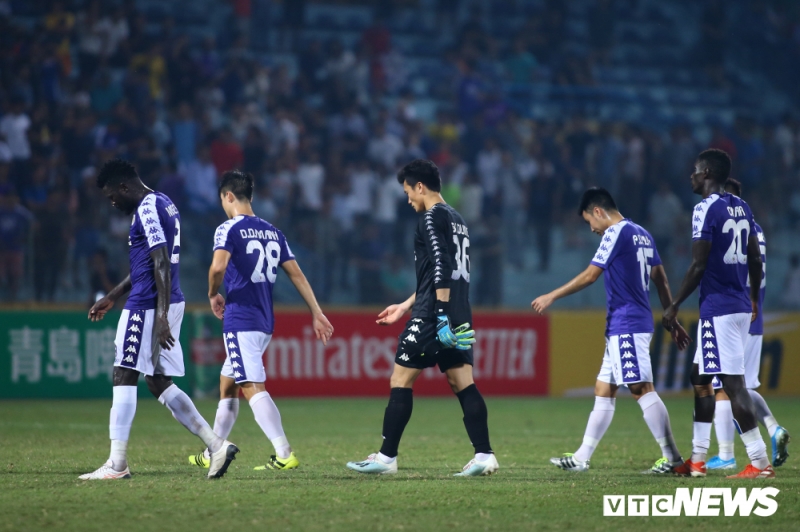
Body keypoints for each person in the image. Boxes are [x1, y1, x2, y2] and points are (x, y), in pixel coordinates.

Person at [80, 159, 237, 480]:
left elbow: (161, 262)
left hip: (149, 305)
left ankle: (117, 463)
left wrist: (161, 314)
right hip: (165, 300)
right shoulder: (165, 203)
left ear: (125, 187)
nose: (112, 203)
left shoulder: (147, 208)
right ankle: (216, 444)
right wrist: (113, 295)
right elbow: (146, 264)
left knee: (124, 371)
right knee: (157, 381)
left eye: (113, 196)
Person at [345, 159, 493, 476]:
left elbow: (440, 266)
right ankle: (484, 455)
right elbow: (445, 273)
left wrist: (437, 315)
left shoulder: (430, 218)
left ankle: (386, 458)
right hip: (459, 308)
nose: (407, 198)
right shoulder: (458, 219)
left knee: (401, 379)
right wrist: (404, 305)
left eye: (407, 191)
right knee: (461, 381)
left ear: (420, 187)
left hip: (434, 313)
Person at [532, 187, 689, 474]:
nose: (591, 229)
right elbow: (661, 278)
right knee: (604, 389)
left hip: (627, 324)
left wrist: (551, 295)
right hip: (628, 322)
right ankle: (581, 457)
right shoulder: (642, 232)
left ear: (599, 212)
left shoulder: (614, 232)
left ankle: (673, 459)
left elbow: (591, 275)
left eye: (589, 221)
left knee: (642, 389)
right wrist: (671, 317)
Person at [188, 170, 333, 471]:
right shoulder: (273, 231)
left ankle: (284, 452)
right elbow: (296, 274)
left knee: (252, 386)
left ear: (228, 196)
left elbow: (217, 267)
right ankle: (213, 449)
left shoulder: (228, 229)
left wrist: (213, 293)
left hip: (241, 318)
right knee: (227, 385)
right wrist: (316, 312)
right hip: (265, 320)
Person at [663, 149, 773, 479]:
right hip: (739, 305)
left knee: (732, 385)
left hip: (718, 309)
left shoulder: (704, 209)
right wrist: (753, 297)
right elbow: (755, 258)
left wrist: (674, 304)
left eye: (696, 171)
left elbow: (698, 264)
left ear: (708, 172)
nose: (691, 177)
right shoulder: (743, 207)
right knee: (700, 377)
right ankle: (697, 459)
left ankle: (759, 462)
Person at [706, 178, 790, 470]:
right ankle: (773, 429)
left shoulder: (729, 229)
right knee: (741, 386)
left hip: (733, 312)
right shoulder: (757, 232)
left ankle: (727, 455)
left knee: (726, 386)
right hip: (756, 314)